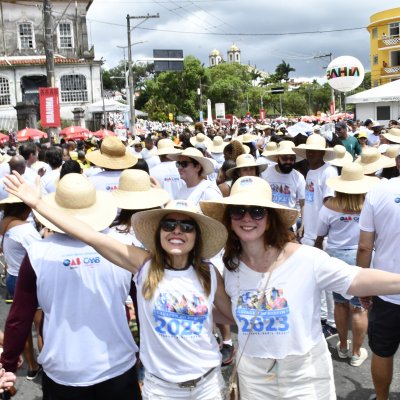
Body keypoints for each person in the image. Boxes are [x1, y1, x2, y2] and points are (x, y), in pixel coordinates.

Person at [3, 173, 233, 400]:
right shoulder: (143, 264)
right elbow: (91, 237)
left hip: (207, 384)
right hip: (161, 387)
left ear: (197, 236)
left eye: (187, 227)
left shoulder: (209, 274)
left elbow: (232, 316)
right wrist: (37, 203)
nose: (177, 231)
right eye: (169, 224)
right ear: (159, 232)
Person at [199, 176, 400, 399]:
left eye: (257, 211)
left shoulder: (306, 259)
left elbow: (357, 278)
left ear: (270, 218)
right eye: (238, 211)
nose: (247, 218)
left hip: (304, 375)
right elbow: (233, 314)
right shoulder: (229, 266)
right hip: (253, 376)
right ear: (229, 218)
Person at [1, 174, 141, 399]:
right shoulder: (124, 248)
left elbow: (19, 317)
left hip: (63, 370)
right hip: (117, 365)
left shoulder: (38, 254)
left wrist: (8, 362)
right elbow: (143, 306)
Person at [315, 164, 380, 367]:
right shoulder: (369, 205)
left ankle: (343, 345)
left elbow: (320, 234)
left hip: (335, 257)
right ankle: (356, 352)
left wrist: (318, 250)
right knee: (359, 308)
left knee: (340, 304)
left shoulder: (328, 207)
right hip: (362, 256)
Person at [357, 175, 400, 400]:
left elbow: (365, 246)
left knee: (383, 351)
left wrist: (363, 286)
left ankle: (382, 398)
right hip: (386, 291)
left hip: (387, 290)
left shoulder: (378, 191)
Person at [0, 194, 43, 380]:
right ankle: (49, 369)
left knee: (21, 326)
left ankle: (32, 367)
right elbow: (40, 255)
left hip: (12, 277)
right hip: (28, 280)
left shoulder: (5, 226)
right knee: (41, 326)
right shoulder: (25, 229)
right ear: (24, 209)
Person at [262, 140, 305, 236]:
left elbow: (303, 203)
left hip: (288, 225)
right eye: (285, 158)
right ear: (278, 157)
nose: (288, 161)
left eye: (292, 158)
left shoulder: (299, 177)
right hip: (267, 222)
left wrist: (303, 225)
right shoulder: (266, 174)